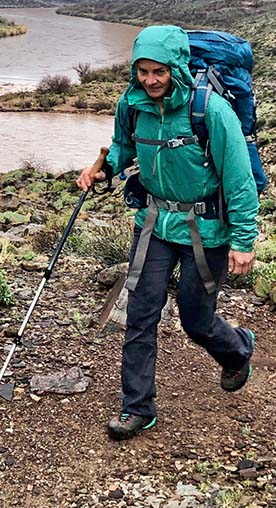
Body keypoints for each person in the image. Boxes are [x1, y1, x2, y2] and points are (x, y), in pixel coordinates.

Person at [77, 25, 259, 440]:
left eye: (158, 71)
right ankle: (136, 407)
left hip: (207, 229)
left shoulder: (209, 111)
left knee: (196, 320)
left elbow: (239, 179)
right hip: (154, 222)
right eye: (142, 71)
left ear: (175, 67)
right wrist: (102, 168)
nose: (150, 80)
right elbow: (123, 147)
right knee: (141, 315)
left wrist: (243, 240)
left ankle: (237, 350)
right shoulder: (132, 103)